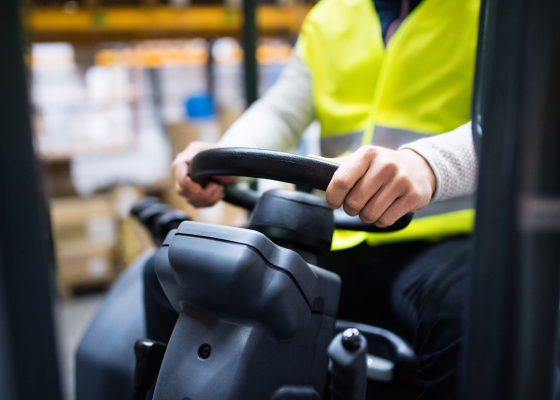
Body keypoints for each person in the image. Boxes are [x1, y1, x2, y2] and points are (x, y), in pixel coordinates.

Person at [145, 0, 480, 398]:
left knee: (468, 309)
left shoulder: (490, 13)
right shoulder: (331, 15)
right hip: (338, 233)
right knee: (177, 271)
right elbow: (282, 112)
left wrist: (430, 165)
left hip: (441, 240)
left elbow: (514, 121)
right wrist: (225, 152)